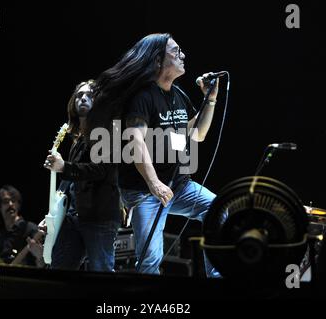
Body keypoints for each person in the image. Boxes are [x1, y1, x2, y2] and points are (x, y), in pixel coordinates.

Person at [87, 33, 223, 277]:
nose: (183, 55)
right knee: (150, 257)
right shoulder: (143, 97)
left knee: (218, 208)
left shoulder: (178, 95)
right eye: (176, 51)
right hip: (143, 189)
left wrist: (210, 100)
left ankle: (217, 278)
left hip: (179, 185)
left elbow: (198, 133)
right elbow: (136, 140)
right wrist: (154, 184)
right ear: (159, 60)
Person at [43, 80, 122, 272]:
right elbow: (69, 181)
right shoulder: (78, 140)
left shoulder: (108, 132)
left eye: (89, 95)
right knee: (59, 269)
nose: (83, 98)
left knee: (100, 273)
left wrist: (65, 167)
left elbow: (101, 170)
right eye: (79, 95)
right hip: (73, 217)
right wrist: (52, 215)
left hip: (99, 217)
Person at [0, 185, 45, 267]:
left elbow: (44, 265)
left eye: (13, 200)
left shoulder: (31, 229)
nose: (10, 204)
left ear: (18, 204)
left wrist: (40, 257)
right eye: (5, 201)